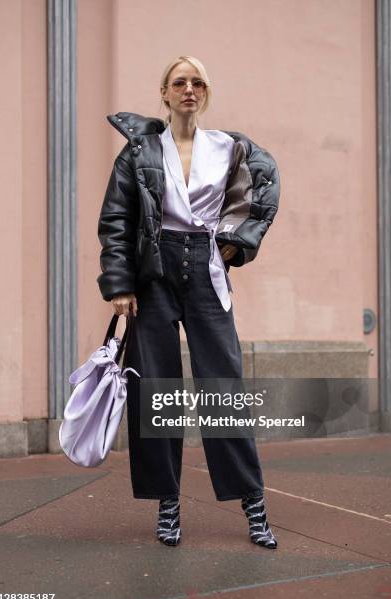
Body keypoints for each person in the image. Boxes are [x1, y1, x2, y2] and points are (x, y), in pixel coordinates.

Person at [97, 55, 280, 548]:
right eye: (180, 82)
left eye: (198, 82)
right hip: (153, 273)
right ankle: (168, 504)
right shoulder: (139, 152)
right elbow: (117, 219)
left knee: (224, 386)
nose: (189, 89)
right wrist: (119, 284)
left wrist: (239, 239)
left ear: (206, 92)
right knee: (156, 391)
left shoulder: (229, 148)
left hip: (206, 267)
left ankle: (253, 503)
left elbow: (267, 186)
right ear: (164, 92)